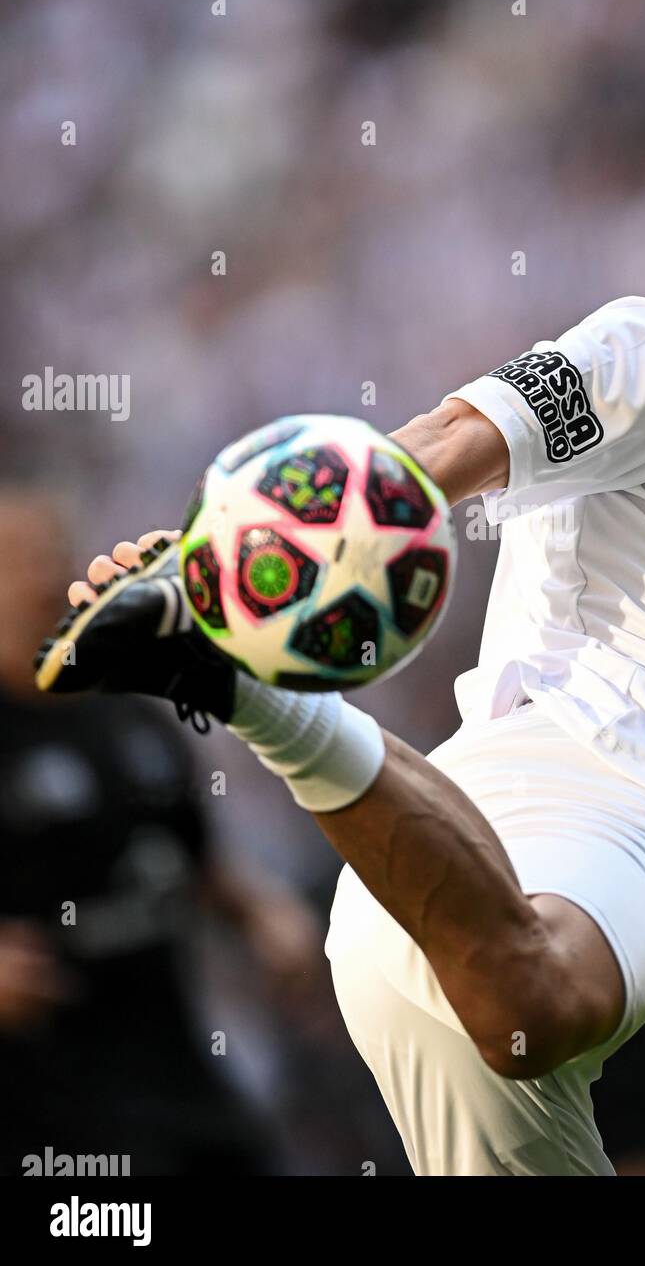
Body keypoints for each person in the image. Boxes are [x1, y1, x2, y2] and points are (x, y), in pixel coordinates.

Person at [37, 60, 645, 1176]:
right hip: (570, 809)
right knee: (544, 997)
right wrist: (229, 573)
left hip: (442, 888)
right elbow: (444, 444)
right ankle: (266, 705)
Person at [2, 485, 322, 1175]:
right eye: (15, 559)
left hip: (177, 1076)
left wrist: (265, 915)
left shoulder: (129, 716)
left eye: (49, 553)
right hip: (41, 1111)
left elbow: (196, 859)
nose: (39, 575)